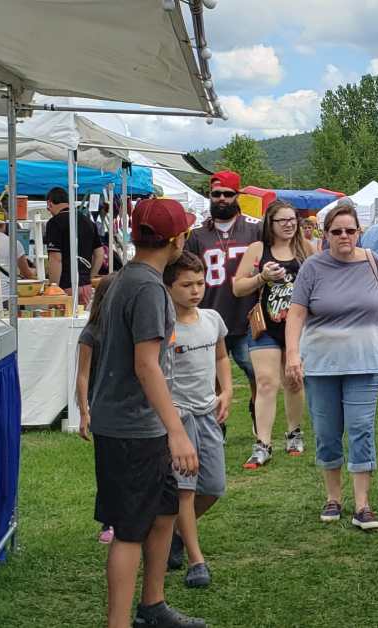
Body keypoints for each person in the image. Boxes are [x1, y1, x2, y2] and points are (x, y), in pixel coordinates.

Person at [87, 197, 204, 628]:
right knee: (130, 530)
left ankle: (152, 605)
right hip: (133, 428)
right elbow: (145, 364)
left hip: (135, 423)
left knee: (165, 508)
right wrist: (177, 431)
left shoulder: (123, 279)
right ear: (177, 240)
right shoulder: (149, 288)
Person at [284, 205, 378, 530]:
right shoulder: (312, 268)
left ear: (359, 232)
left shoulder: (372, 262)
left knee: (361, 428)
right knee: (326, 432)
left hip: (365, 360)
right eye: (336, 231)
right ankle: (333, 498)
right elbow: (296, 313)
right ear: (326, 234)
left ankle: (363, 504)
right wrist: (292, 354)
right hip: (321, 364)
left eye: (350, 231)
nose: (344, 237)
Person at [161, 252, 232, 589]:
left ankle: (171, 532)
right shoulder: (163, 327)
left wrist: (227, 391)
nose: (195, 291)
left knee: (213, 486)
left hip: (208, 413)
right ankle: (195, 559)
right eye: (186, 285)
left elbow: (221, 356)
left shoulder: (212, 319)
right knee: (184, 490)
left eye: (200, 283)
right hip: (179, 416)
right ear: (168, 286)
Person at [232, 200, 313, 468]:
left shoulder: (306, 249)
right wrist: (262, 278)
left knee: (294, 380)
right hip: (265, 326)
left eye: (293, 219)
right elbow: (237, 288)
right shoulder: (258, 250)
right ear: (271, 223)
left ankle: (293, 432)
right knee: (266, 382)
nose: (289, 224)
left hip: (297, 328)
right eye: (283, 220)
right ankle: (262, 444)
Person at [185, 170, 261, 426]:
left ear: (237, 195)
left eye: (227, 194)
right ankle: (218, 424)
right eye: (216, 194)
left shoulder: (255, 229)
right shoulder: (197, 235)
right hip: (210, 313)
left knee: (255, 371)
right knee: (212, 376)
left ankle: (257, 416)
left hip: (248, 313)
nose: (221, 199)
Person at [76, 273, 117, 544]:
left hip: (124, 406)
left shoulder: (125, 328)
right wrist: (84, 412)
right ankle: (109, 519)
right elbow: (82, 375)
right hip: (103, 408)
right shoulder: (92, 332)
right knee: (107, 467)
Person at [44, 186, 104, 305]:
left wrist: (53, 286)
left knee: (63, 322)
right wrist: (89, 277)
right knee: (82, 321)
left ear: (49, 203)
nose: (49, 212)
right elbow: (99, 253)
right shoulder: (88, 222)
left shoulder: (54, 223)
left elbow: (56, 258)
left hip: (65, 287)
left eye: (48, 208)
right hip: (86, 286)